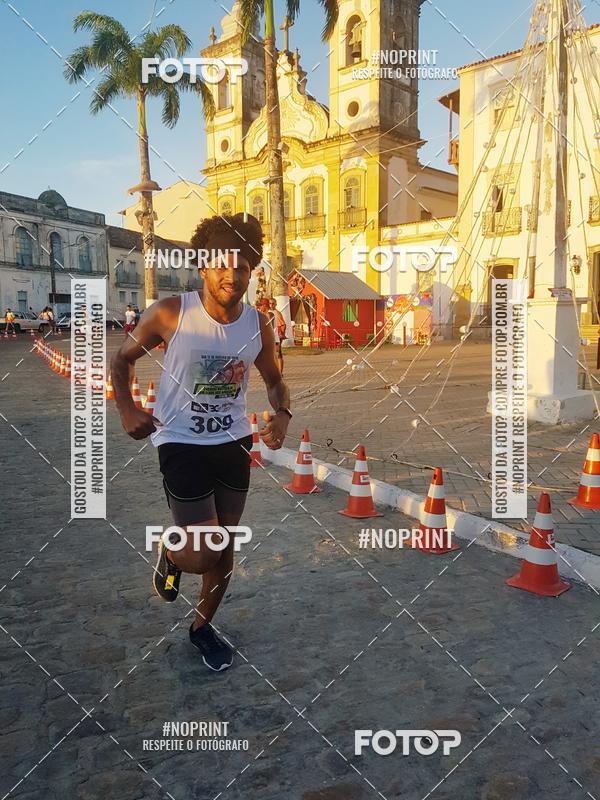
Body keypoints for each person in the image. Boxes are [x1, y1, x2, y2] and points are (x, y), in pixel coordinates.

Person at [111, 213, 292, 672]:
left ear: (252, 272)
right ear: (204, 266)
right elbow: (122, 359)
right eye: (223, 265)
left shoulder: (257, 325)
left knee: (225, 546)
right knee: (203, 550)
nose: (233, 276)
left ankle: (202, 628)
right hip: (180, 441)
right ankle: (171, 552)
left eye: (244, 267)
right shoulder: (172, 313)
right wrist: (128, 409)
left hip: (233, 442)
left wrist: (283, 413)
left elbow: (274, 379)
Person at [270, 299, 286, 374]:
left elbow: (283, 324)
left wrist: (282, 333)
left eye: (273, 303)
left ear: (275, 304)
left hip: (277, 336)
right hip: (269, 336)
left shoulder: (277, 313)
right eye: (270, 303)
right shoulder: (267, 313)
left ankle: (280, 372)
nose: (271, 305)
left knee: (279, 354)